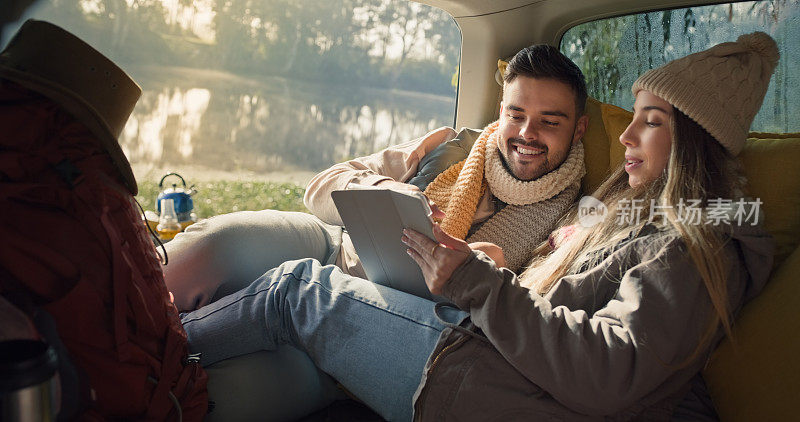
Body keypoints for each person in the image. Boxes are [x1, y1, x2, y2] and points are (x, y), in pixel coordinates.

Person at [182, 32, 778, 420]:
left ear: (692, 143)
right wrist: (487, 277)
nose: (622, 135)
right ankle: (147, 346)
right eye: (514, 114)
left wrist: (480, 281)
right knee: (250, 269)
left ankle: (132, 360)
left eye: (649, 122)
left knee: (297, 291)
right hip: (488, 350)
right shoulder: (626, 215)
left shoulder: (700, 240)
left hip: (483, 378)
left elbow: (615, 370)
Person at [163, 44, 589, 312]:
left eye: (549, 122)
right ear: (501, 112)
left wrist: (474, 269)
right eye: (516, 115)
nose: (527, 135)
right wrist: (394, 194)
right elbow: (321, 187)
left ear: (579, 128)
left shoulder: (571, 218)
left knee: (227, 377)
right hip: (331, 243)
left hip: (385, 307)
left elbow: (530, 305)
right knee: (205, 249)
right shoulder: (452, 145)